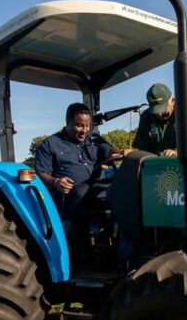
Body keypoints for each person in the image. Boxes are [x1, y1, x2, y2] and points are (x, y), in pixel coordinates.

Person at [34, 103, 129, 246]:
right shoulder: (50, 144)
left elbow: (107, 150)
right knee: (81, 191)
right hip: (69, 194)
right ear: (68, 123)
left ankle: (123, 244)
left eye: (87, 126)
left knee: (125, 189)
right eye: (79, 126)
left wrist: (118, 153)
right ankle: (81, 248)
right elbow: (41, 173)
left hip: (97, 187)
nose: (84, 130)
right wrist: (56, 182)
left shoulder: (94, 138)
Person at [133, 82, 178, 156]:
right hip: (155, 164)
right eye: (156, 111)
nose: (159, 114)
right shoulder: (146, 116)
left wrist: (177, 152)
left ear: (173, 101)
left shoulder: (186, 113)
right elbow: (143, 149)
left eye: (163, 109)